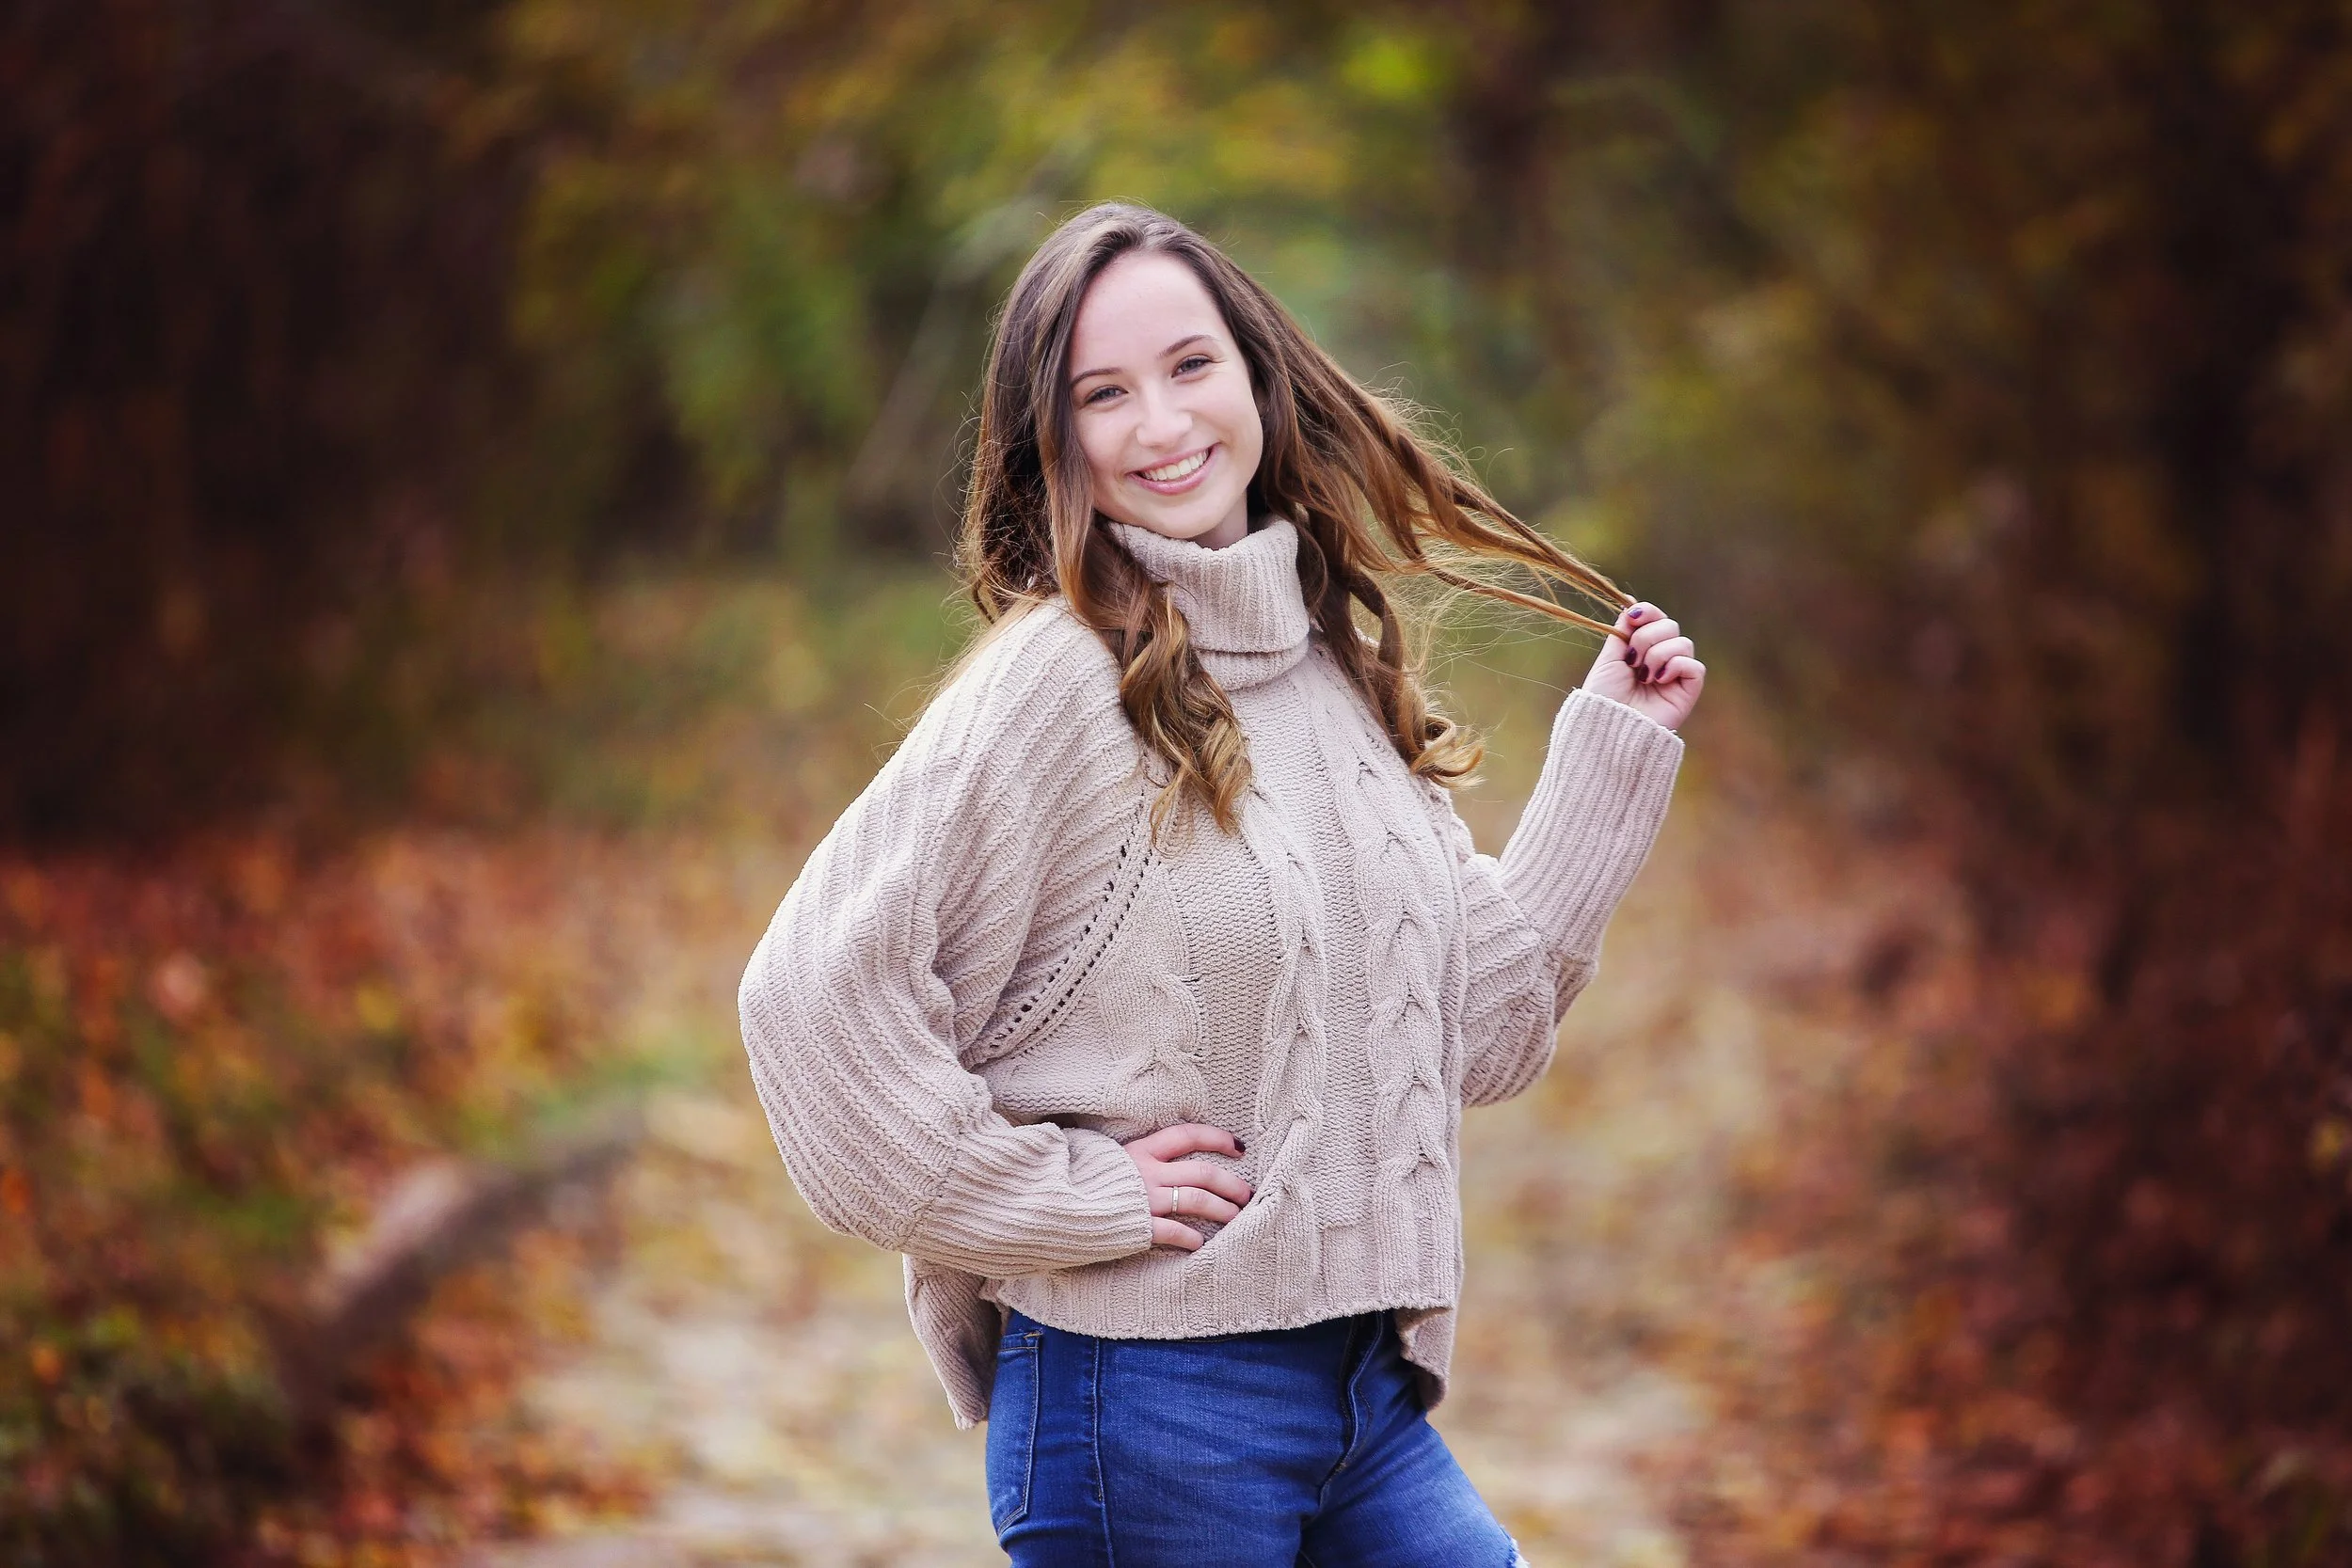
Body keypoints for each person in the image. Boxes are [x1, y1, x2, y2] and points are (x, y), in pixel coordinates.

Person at [738, 201, 1702, 1567]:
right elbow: (807, 998)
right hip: (1146, 1408)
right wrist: (1071, 1193)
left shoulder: (1327, 670)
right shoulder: (1056, 684)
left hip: (1361, 1395)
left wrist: (1610, 752)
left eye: (1190, 365)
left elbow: (1475, 1029)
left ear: (1257, 376)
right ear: (1055, 441)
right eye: (1103, 394)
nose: (1162, 422)